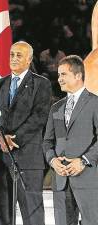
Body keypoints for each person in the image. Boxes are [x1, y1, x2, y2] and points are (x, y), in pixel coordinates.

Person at [0, 41, 52, 225]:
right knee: (3, 215)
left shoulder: (41, 84)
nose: (14, 58)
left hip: (28, 159)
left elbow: (39, 117)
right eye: (12, 54)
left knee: (32, 214)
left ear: (29, 59)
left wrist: (12, 140)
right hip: (1, 158)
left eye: (19, 55)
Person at [43, 55, 98, 225]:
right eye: (58, 75)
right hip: (60, 182)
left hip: (88, 180)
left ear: (78, 76)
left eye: (63, 74)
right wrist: (52, 161)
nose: (59, 79)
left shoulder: (95, 103)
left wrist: (83, 160)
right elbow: (47, 142)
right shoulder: (56, 107)